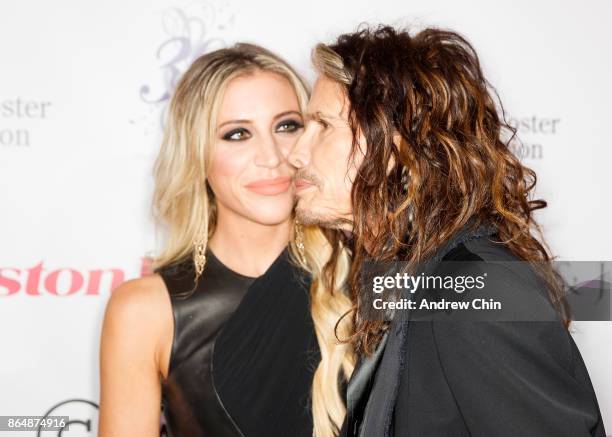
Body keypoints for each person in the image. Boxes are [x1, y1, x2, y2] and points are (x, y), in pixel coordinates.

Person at [288, 25, 606, 436]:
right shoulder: (403, 278)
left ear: (396, 147)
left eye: (323, 125)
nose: (295, 153)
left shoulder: (474, 288)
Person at [99, 43, 353, 437]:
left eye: (287, 126)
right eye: (237, 134)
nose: (272, 156)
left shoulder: (367, 276)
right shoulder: (145, 310)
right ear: (196, 155)